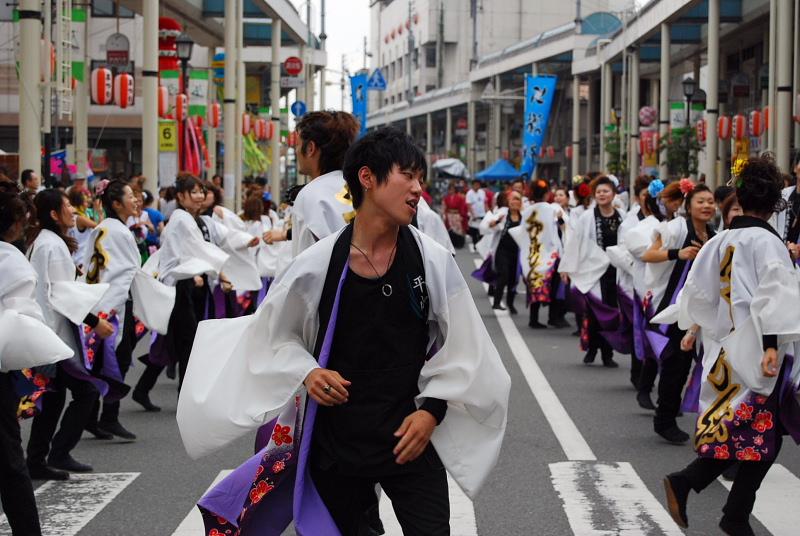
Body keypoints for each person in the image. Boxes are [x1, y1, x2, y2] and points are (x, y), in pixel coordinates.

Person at [177, 127, 510, 536]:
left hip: (409, 434)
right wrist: (308, 371)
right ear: (367, 178)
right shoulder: (318, 263)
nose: (418, 189)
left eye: (419, 178)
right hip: (338, 441)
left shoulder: (431, 260)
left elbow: (466, 348)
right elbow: (275, 336)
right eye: (407, 175)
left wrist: (431, 412)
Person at [663, 156, 800, 536]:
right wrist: (771, 345)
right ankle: (706, 494)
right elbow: (773, 299)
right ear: (775, 203)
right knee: (759, 436)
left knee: (754, 436)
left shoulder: (720, 241)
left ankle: (728, 508)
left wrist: (713, 330)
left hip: (725, 348)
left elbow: (698, 295)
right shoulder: (767, 244)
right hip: (758, 351)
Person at [26, 189, 112, 476]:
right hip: (53, 335)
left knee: (54, 398)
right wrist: (94, 321)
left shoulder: (46, 242)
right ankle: (58, 453)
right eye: (67, 207)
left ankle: (38, 459)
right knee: (85, 392)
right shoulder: (50, 245)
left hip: (49, 333)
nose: (73, 211)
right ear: (53, 214)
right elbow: (60, 296)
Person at [82, 180, 174, 439]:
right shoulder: (119, 232)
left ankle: (96, 417)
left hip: (102, 300)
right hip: (112, 304)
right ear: (115, 203)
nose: (136, 200)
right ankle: (106, 416)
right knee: (115, 360)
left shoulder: (103, 228)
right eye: (130, 196)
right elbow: (123, 273)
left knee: (106, 361)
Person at [132, 175, 229, 408]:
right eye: (193, 191)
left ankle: (143, 389)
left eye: (201, 191)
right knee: (187, 342)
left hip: (184, 284)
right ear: (181, 196)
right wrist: (219, 273)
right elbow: (198, 250)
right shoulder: (183, 219)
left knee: (173, 341)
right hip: (178, 286)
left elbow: (198, 250)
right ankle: (185, 398)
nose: (199, 195)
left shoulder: (190, 219)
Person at [641, 180, 716, 444]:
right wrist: (678, 253)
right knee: (675, 362)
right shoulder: (675, 228)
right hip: (673, 306)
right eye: (701, 201)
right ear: (688, 204)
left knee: (688, 364)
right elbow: (648, 255)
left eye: (710, 202)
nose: (707, 206)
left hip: (699, 309)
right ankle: (664, 419)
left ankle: (671, 412)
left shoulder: (715, 235)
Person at [265, 111, 360, 256]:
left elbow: (307, 266)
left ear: (310, 148)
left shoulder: (311, 195)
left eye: (297, 145)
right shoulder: (360, 188)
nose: (296, 151)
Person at [560, 176, 629, 367]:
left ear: (614, 194)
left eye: (605, 191)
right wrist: (566, 267)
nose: (601, 194)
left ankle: (607, 354)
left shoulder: (623, 216)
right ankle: (592, 349)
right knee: (593, 312)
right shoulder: (587, 217)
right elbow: (575, 243)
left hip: (615, 272)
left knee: (612, 312)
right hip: (593, 271)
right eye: (598, 192)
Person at [509, 179, 564, 328]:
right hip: (550, 253)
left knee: (534, 285)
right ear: (547, 194)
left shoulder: (527, 211)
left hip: (533, 253)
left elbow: (522, 232)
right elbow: (558, 229)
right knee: (553, 285)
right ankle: (552, 317)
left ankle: (534, 318)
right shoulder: (552, 208)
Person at [478, 190, 523, 314]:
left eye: (518, 199)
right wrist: (496, 222)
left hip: (517, 252)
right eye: (513, 199)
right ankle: (497, 302)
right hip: (502, 250)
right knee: (504, 274)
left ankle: (510, 303)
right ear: (508, 201)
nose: (515, 202)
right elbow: (485, 227)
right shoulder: (503, 214)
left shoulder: (524, 216)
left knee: (514, 279)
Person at [466, 179, 487, 249]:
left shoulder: (482, 192)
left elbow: (485, 203)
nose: (477, 186)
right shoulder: (469, 193)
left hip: (482, 214)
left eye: (478, 185)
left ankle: (481, 245)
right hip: (474, 215)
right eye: (475, 185)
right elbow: (469, 205)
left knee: (482, 230)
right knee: (474, 232)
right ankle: (475, 244)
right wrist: (473, 215)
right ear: (472, 185)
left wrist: (487, 212)